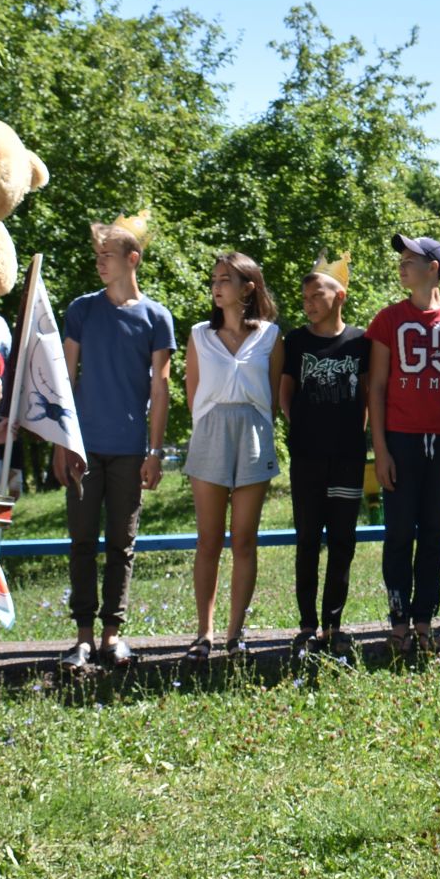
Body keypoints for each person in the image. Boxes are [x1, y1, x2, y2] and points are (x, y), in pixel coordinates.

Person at [56, 215, 175, 669]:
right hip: (83, 448)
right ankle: (82, 637)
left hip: (130, 449)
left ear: (133, 259)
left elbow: (161, 389)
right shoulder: (81, 310)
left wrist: (156, 450)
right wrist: (60, 442)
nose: (100, 263)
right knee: (81, 540)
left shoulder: (156, 317)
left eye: (108, 255)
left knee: (122, 544)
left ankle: (112, 635)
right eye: (97, 256)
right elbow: (65, 380)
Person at [367, 234, 440, 656]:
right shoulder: (387, 320)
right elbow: (376, 387)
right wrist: (381, 448)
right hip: (400, 440)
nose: (402, 265)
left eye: (411, 259)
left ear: (434, 267)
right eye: (401, 259)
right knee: (397, 534)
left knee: (434, 533)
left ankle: (425, 620)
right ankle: (398, 623)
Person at [183, 252, 284, 659]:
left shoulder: (271, 336)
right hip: (210, 433)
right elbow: (193, 395)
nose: (216, 286)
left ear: (248, 287)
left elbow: (273, 398)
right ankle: (203, 633)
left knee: (244, 540)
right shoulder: (199, 335)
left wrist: (249, 424)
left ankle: (235, 633)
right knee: (208, 540)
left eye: (225, 279)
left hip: (254, 434)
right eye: (214, 279)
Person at [279, 254, 371, 654]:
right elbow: (285, 395)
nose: (309, 303)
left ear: (340, 296)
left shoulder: (360, 341)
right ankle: (306, 624)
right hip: (307, 458)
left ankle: (333, 624)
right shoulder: (295, 342)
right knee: (307, 540)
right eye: (305, 297)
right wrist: (304, 426)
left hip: (348, 458)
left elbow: (368, 395)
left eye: (317, 295)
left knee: (343, 541)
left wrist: (352, 432)